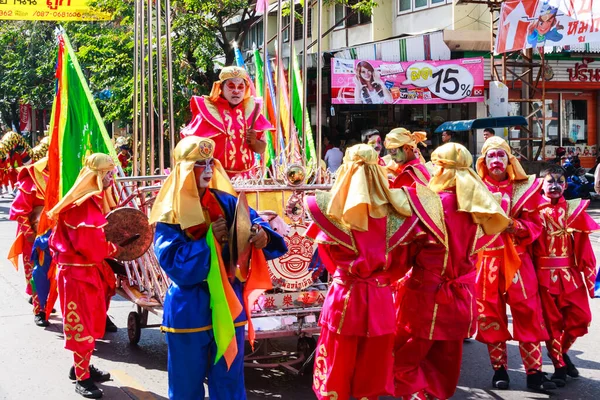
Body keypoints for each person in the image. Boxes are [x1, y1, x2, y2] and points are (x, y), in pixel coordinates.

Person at [150, 136, 287, 399]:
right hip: (190, 308)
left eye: (211, 162)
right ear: (184, 169)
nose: (209, 169)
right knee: (185, 387)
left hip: (228, 303)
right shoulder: (170, 214)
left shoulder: (227, 201)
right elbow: (174, 264)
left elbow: (258, 226)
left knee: (230, 385)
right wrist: (209, 242)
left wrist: (263, 236)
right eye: (200, 163)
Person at [394, 142, 509, 400]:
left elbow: (404, 250)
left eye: (436, 165)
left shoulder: (429, 204)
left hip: (426, 294)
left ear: (442, 169)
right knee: (447, 358)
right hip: (461, 295)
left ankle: (415, 394)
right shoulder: (483, 207)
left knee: (407, 356)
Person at [305, 143, 415, 400]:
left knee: (336, 363)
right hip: (379, 296)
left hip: (345, 295)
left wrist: (344, 275)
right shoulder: (396, 214)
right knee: (373, 365)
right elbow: (403, 261)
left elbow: (324, 256)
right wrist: (382, 278)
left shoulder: (331, 211)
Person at [475, 136, 556, 391]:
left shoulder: (524, 189)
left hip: (518, 262)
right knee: (490, 316)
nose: (496, 161)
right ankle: (499, 371)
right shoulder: (474, 190)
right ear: (483, 161)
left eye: (501, 155)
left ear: (509, 160)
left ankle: (534, 373)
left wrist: (514, 225)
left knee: (528, 314)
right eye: (491, 156)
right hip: (486, 263)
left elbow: (536, 226)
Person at [47, 153, 119, 399]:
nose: (112, 177)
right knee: (81, 326)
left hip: (88, 271)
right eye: (109, 173)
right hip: (78, 275)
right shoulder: (83, 205)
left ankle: (82, 367)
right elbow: (91, 245)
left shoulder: (93, 199)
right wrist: (114, 248)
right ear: (98, 176)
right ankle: (82, 378)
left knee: (92, 321)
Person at [533, 164, 600, 386]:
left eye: (559, 182)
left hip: (570, 277)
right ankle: (560, 366)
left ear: (565, 185)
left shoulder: (574, 210)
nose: (555, 185)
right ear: (540, 184)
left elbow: (584, 249)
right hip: (542, 277)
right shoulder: (532, 211)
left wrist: (590, 281)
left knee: (581, 319)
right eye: (550, 181)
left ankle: (561, 354)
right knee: (551, 325)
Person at [180, 66, 273, 177]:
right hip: (215, 178)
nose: (236, 91)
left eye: (240, 87)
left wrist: (254, 142)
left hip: (247, 179)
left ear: (246, 89)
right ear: (220, 88)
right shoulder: (207, 113)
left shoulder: (252, 111)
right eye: (231, 86)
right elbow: (190, 149)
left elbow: (261, 149)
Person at [8, 156, 49, 326]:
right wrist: (31, 235)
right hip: (34, 235)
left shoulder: (63, 177)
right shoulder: (30, 181)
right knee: (38, 273)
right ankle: (39, 310)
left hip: (56, 235)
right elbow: (19, 212)